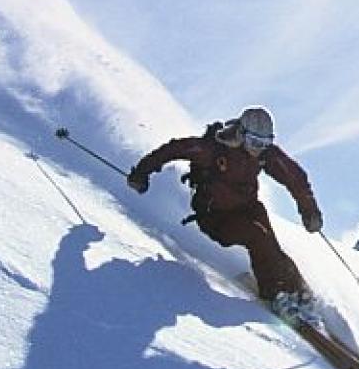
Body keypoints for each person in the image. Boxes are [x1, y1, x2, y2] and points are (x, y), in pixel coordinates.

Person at [127, 106, 325, 312]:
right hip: (215, 216)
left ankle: (297, 288)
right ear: (241, 134)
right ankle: (274, 292)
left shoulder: (263, 154)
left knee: (268, 240)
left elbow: (295, 177)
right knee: (257, 235)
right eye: (255, 143)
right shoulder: (212, 149)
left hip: (247, 208)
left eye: (265, 144)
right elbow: (173, 149)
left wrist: (309, 211)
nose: (259, 148)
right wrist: (141, 173)